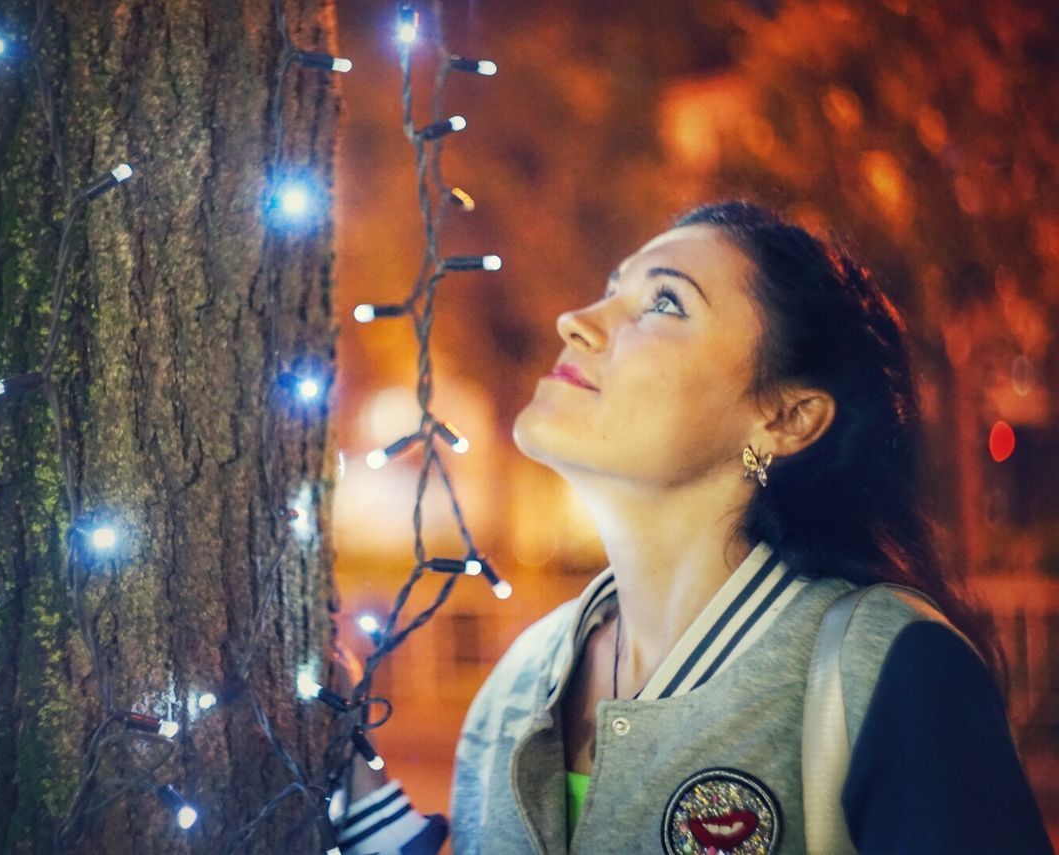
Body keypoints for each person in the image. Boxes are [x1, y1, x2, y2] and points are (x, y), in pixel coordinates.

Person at [332, 201, 1053, 854]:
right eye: (613, 289)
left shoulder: (884, 667)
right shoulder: (522, 681)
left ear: (786, 418)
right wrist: (347, 772)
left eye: (664, 302)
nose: (577, 320)